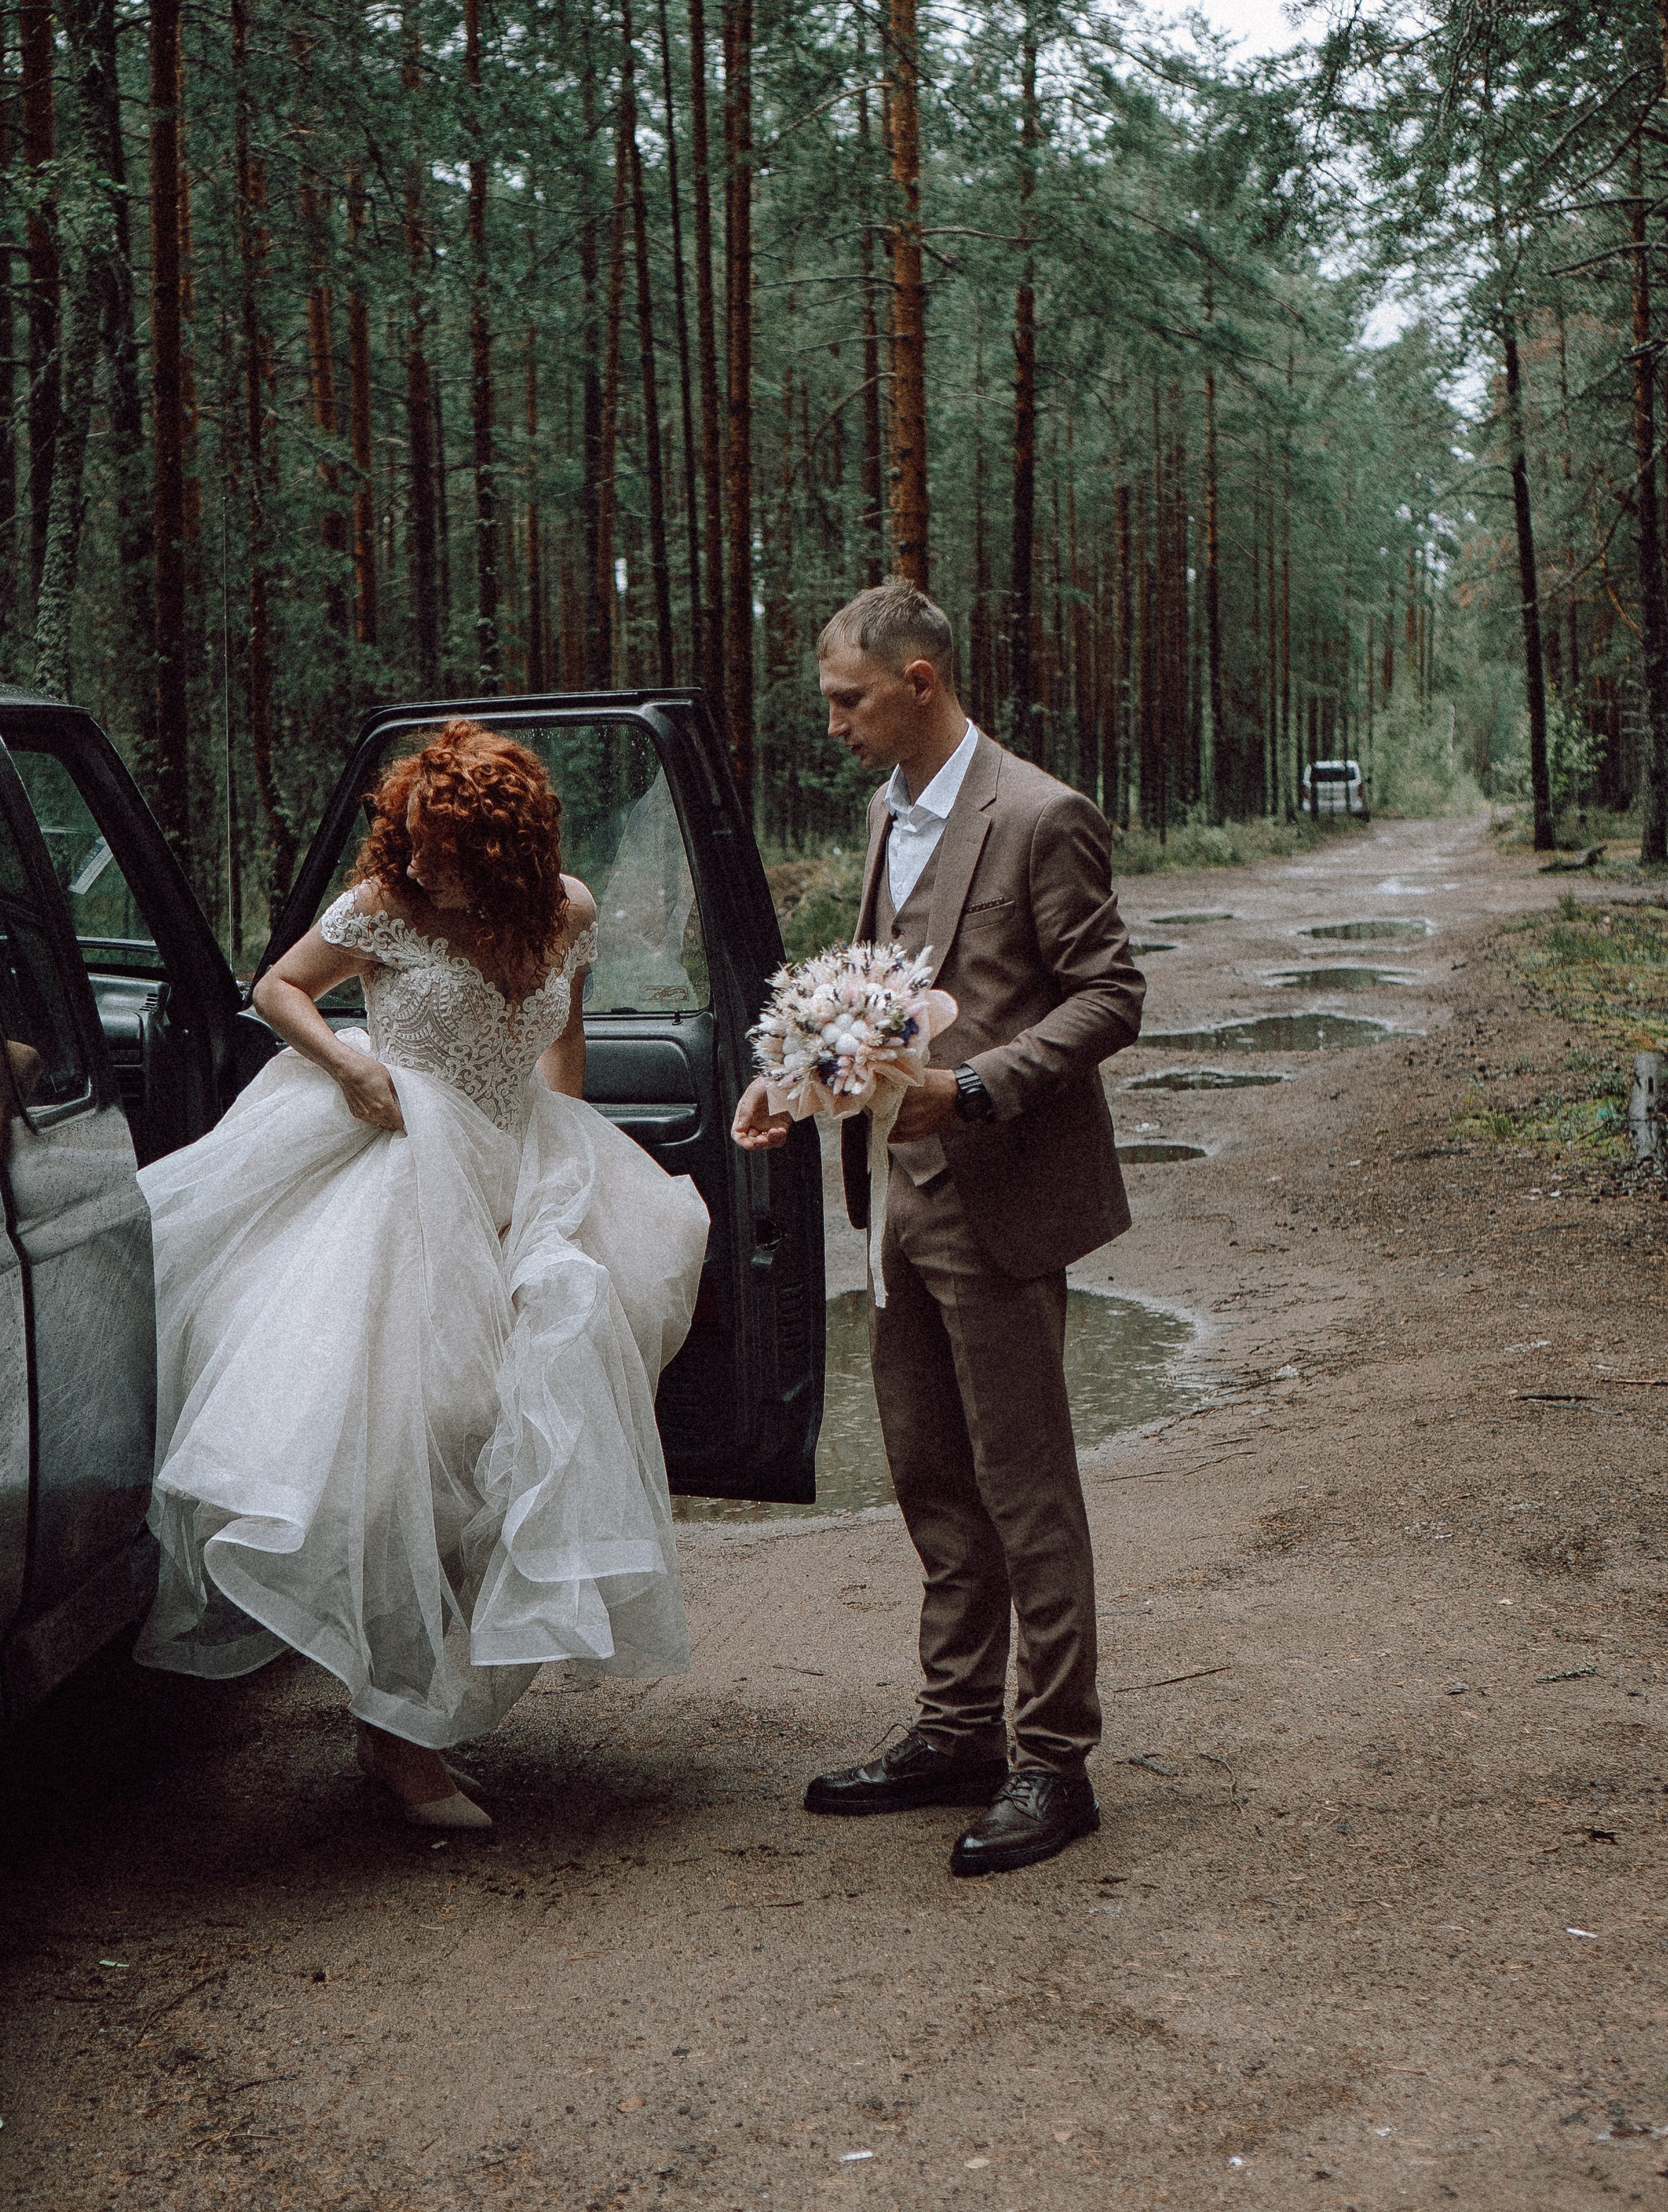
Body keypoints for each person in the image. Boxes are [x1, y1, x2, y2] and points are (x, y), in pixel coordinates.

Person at [135, 720, 709, 1830]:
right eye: (404, 836)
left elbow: (560, 1043)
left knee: (522, 1430)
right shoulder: (383, 911)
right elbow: (278, 989)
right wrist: (347, 1062)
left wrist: (562, 1169)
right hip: (400, 1169)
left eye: (438, 844)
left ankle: (413, 1720)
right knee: (413, 1442)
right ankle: (394, 1734)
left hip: (524, 1165)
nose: (413, 858)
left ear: (500, 850)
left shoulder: (569, 913)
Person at [732, 583, 1144, 1877]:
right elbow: (874, 1005)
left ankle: (1052, 1760)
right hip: (895, 1205)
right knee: (928, 1474)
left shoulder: (1038, 814)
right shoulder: (880, 814)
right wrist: (790, 1079)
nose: (835, 724)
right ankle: (957, 1727)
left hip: (1003, 1198)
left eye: (849, 700)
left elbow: (1110, 996)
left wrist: (975, 1086)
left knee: (1025, 1488)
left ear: (921, 682)